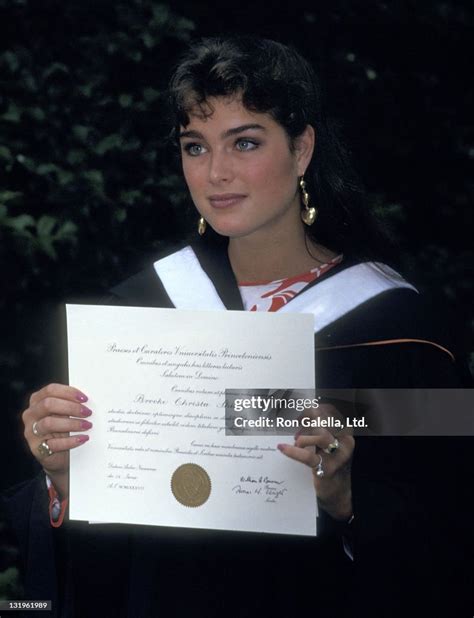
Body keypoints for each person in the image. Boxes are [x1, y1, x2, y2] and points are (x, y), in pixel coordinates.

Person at [3, 36, 472, 618]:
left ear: (302, 149)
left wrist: (350, 501)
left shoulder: (400, 332)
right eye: (194, 147)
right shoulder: (143, 316)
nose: (216, 173)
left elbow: (451, 521)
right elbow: (104, 554)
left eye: (244, 142)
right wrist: (67, 480)